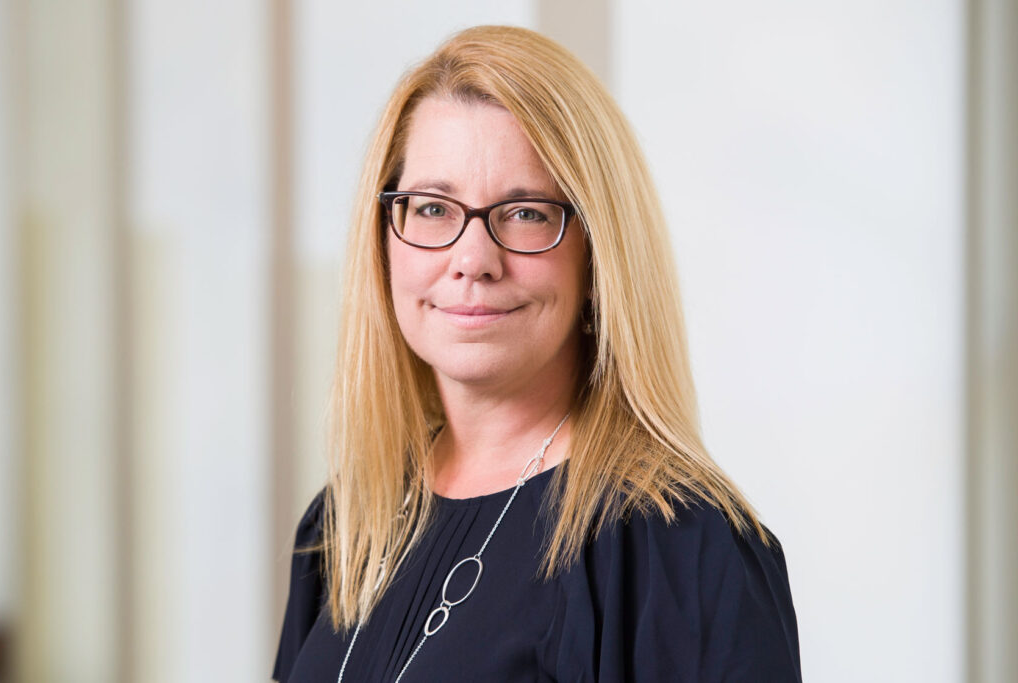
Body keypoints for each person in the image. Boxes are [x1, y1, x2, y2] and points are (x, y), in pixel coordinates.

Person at [272, 25, 802, 682]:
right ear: (384, 238)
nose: (473, 260)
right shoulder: (341, 528)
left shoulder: (685, 550)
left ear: (598, 255)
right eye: (433, 207)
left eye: (524, 213)